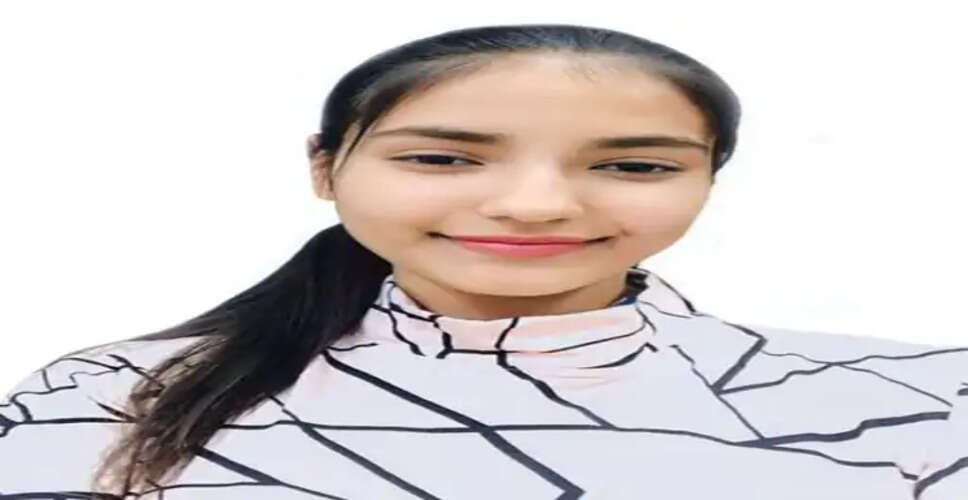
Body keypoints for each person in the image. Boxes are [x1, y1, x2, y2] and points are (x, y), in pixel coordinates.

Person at [1, 23, 964, 500]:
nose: (535, 204)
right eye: (443, 158)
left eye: (633, 165)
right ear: (325, 169)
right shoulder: (111, 393)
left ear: (708, 180)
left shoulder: (922, 399)